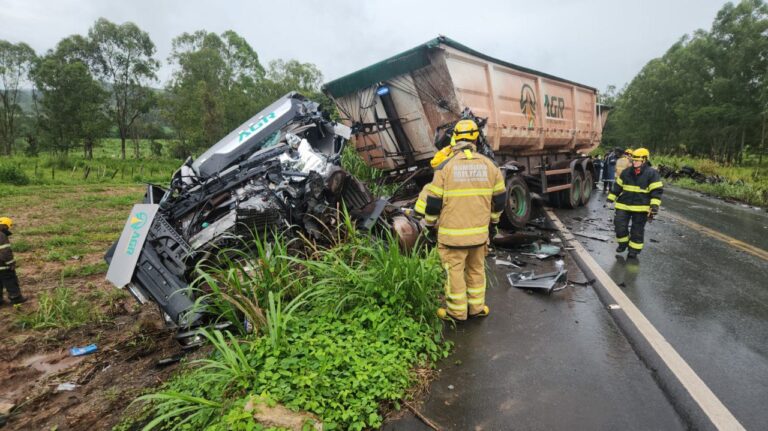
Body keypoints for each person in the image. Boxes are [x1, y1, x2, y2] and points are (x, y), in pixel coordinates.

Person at [423, 119, 506, 321]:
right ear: (476, 138)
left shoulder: (444, 167)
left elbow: (433, 203)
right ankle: (477, 308)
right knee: (477, 270)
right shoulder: (491, 166)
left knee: (455, 273)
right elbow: (500, 201)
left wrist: (429, 226)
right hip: (479, 235)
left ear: (455, 138)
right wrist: (493, 225)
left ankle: (457, 312)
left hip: (452, 238)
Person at [607, 148, 663, 258]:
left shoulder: (652, 174)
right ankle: (623, 243)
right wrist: (610, 198)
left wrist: (654, 206)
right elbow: (618, 186)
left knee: (637, 230)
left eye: (638, 160)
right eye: (634, 160)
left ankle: (634, 250)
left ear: (645, 160)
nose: (635, 162)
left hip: (641, 208)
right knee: (619, 225)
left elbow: (656, 192)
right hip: (624, 205)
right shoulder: (626, 172)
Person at [0, 217, 25, 305]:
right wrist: (11, 263)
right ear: (5, 226)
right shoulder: (1, 236)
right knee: (10, 280)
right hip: (3, 266)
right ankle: (16, 298)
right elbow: (5, 252)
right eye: (8, 227)